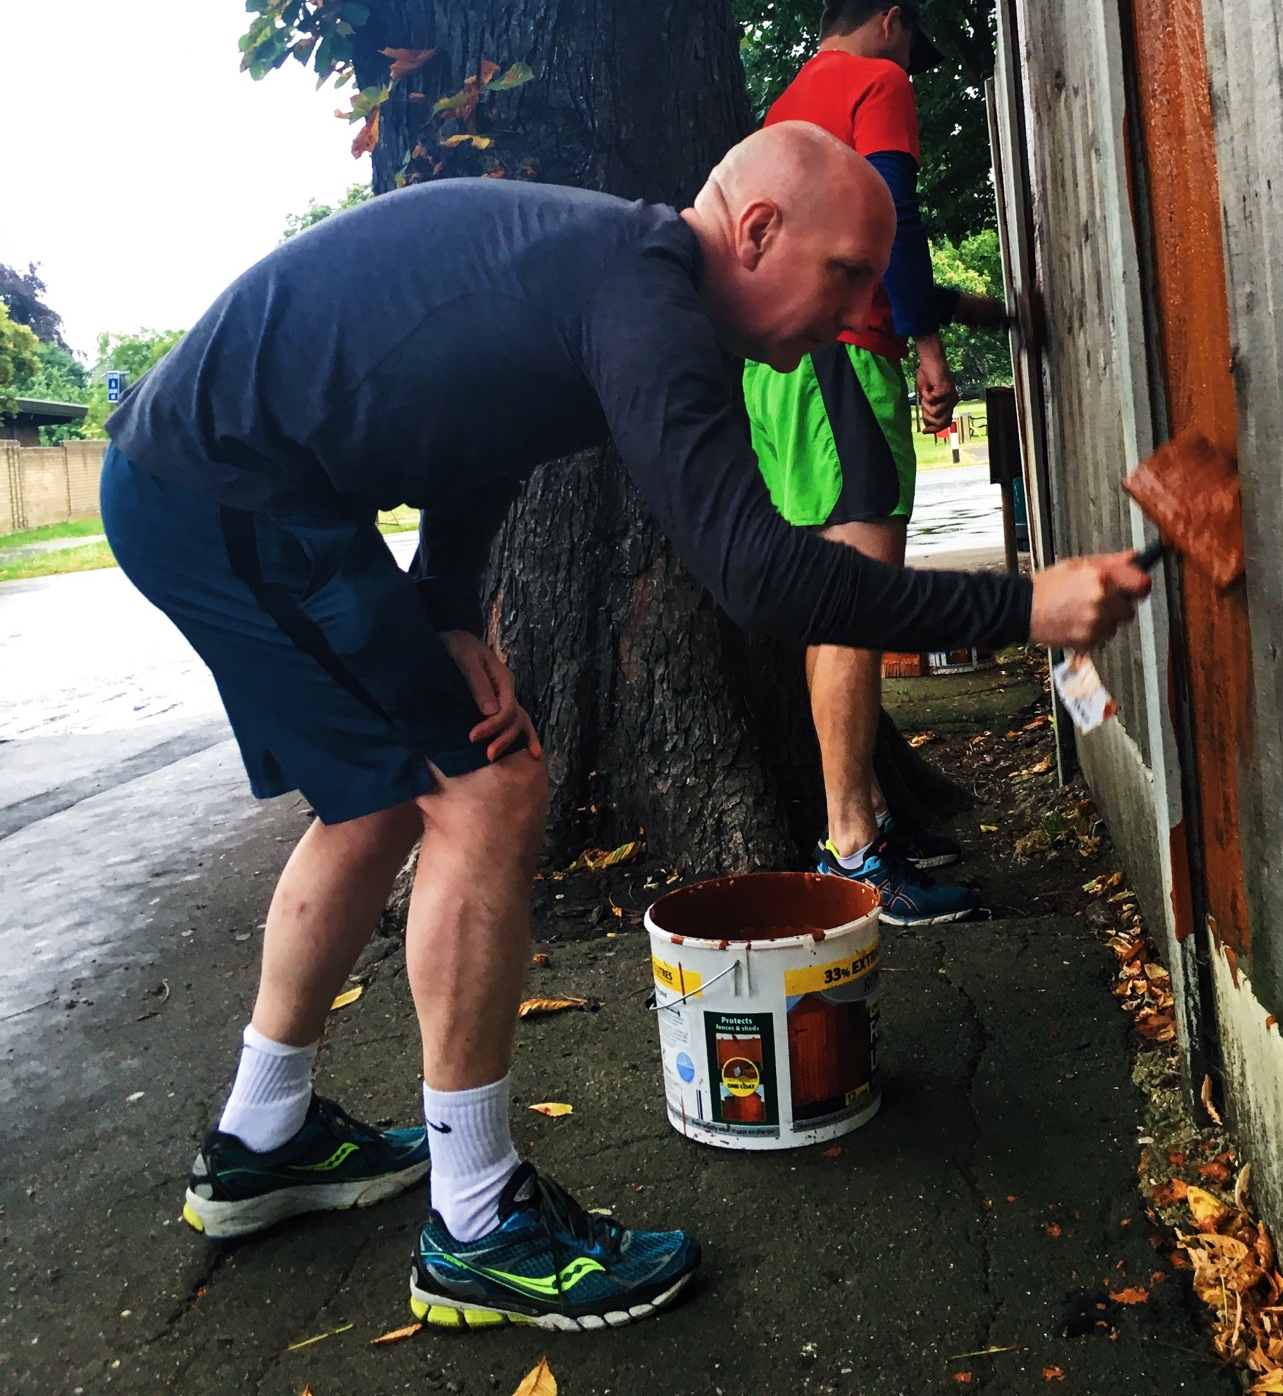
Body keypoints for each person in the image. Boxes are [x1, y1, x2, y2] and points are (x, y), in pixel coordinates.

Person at [100, 122, 1149, 1335]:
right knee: (489, 785)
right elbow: (761, 577)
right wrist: (1024, 602)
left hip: (224, 485)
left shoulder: (619, 280)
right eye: (848, 273)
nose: (864, 310)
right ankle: (478, 1221)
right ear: (756, 231)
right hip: (223, 490)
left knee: (385, 793)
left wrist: (445, 606)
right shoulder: (643, 296)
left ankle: (259, 1138)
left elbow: (483, 431)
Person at [742, 0, 1007, 924]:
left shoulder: (785, 104)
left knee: (830, 601)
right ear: (891, 22)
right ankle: (855, 852)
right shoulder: (876, 82)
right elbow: (893, 219)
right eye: (912, 47)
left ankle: (860, 822)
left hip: (776, 373)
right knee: (859, 602)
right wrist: (930, 345)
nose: (914, 72)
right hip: (844, 359)